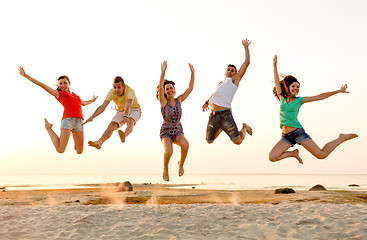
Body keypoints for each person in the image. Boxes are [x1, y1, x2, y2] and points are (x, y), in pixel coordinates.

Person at [268, 55, 358, 164]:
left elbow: (320, 96)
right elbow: (277, 81)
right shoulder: (282, 98)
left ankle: (341, 138)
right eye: (294, 86)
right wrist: (274, 65)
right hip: (286, 136)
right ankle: (293, 154)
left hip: (298, 133)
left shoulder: (300, 100)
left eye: (298, 87)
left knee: (321, 155)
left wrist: (338, 91)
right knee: (272, 157)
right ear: (288, 87)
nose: (296, 89)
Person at [18, 66, 97, 154]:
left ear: (69, 83)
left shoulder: (75, 95)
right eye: (60, 84)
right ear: (58, 85)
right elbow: (42, 85)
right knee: (60, 149)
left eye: (64, 83)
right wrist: (25, 75)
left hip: (79, 122)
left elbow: (84, 103)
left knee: (79, 151)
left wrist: (92, 100)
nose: (62, 85)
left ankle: (75, 139)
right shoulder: (59, 94)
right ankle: (48, 128)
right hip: (68, 121)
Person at [202, 39, 253, 145]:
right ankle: (220, 128)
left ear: (235, 74)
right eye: (228, 70)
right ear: (225, 72)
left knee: (237, 141)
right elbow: (214, 94)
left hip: (225, 115)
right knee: (209, 141)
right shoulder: (221, 83)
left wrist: (246, 48)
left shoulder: (235, 80)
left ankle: (244, 127)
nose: (230, 72)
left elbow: (247, 63)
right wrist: (207, 102)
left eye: (232, 70)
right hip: (213, 115)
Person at [157, 61, 194, 181]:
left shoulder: (179, 100)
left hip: (178, 130)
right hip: (166, 132)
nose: (169, 90)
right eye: (167, 89)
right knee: (169, 151)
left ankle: (181, 165)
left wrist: (192, 73)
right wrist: (163, 71)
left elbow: (190, 88)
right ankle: (165, 169)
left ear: (174, 89)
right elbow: (161, 84)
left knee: (186, 144)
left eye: (171, 88)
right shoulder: (163, 102)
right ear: (164, 91)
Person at [84, 76, 141, 149]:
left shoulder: (130, 91)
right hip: (121, 111)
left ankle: (124, 134)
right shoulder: (112, 92)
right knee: (112, 125)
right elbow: (103, 106)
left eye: (119, 87)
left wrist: (125, 116)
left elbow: (128, 105)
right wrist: (92, 117)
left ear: (124, 87)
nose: (116, 90)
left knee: (130, 121)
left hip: (134, 109)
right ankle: (99, 142)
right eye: (115, 87)